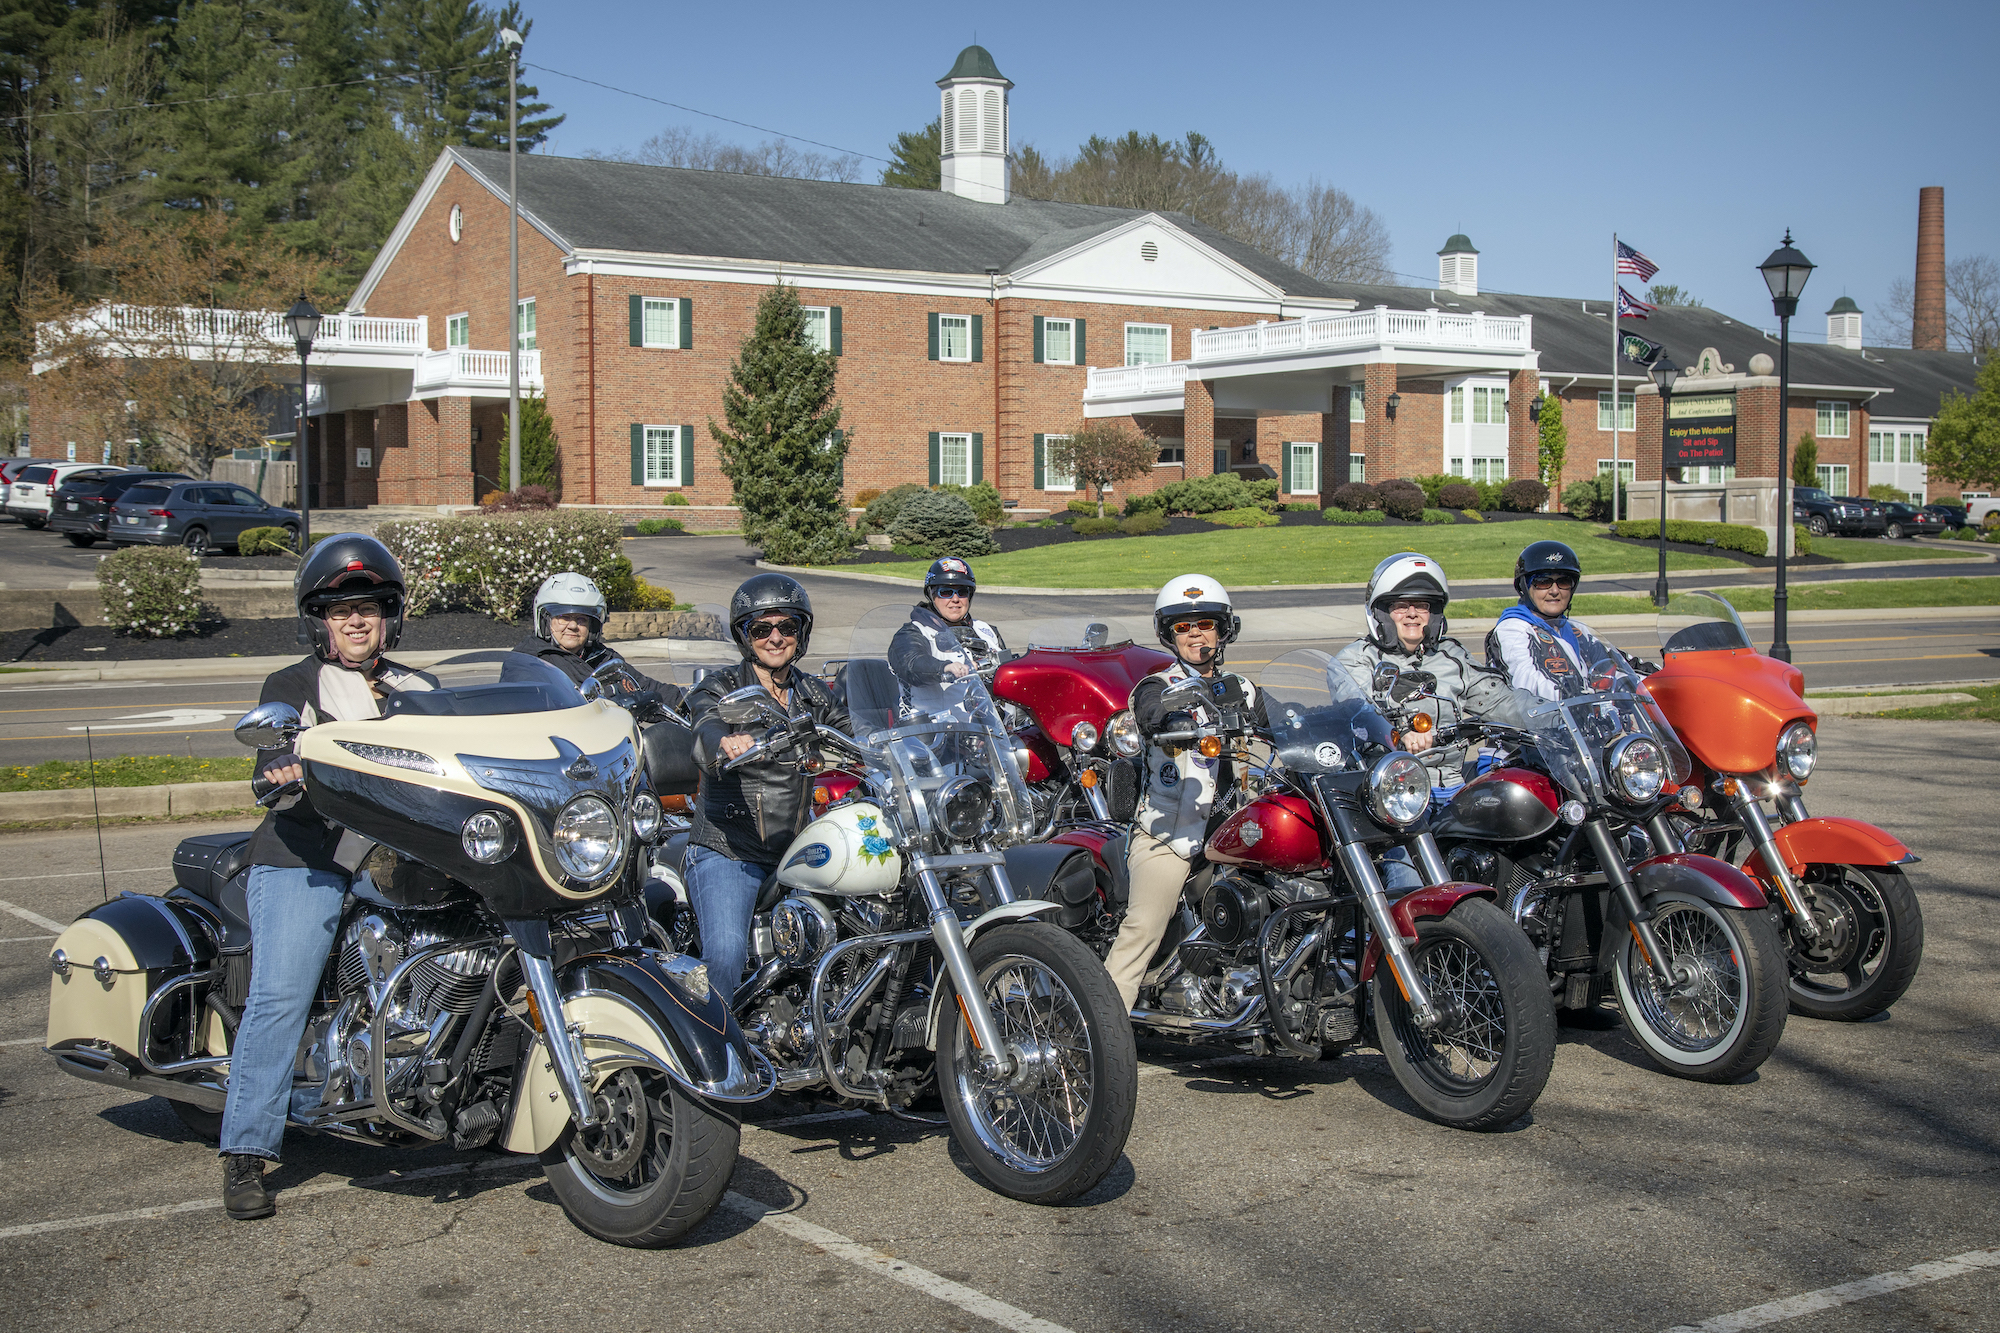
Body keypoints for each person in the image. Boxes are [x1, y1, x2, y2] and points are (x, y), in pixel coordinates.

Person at [220, 535, 437, 1221]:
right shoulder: (292, 687)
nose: (354, 621)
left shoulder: (419, 688)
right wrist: (282, 765)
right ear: (318, 620)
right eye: (339, 609)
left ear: (390, 616)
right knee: (281, 993)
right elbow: (274, 758)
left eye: (367, 608)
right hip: (306, 853)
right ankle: (246, 1152)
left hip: (396, 858)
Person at [1104, 575, 1267, 1013]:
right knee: (1144, 926)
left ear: (1223, 629)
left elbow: (1288, 722)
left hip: (1230, 835)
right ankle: (1103, 1029)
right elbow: (1150, 714)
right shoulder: (1157, 687)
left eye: (1206, 623)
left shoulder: (1245, 691)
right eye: (1183, 627)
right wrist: (1171, 721)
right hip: (1167, 837)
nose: (1196, 633)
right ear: (1169, 635)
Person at [684, 574, 849, 1004]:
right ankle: (714, 1059)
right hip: (729, 850)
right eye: (761, 629)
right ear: (744, 635)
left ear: (801, 632)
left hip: (795, 849)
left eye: (787, 627)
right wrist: (724, 739)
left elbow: (858, 735)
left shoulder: (815, 694)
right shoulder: (719, 687)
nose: (776, 638)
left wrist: (909, 746)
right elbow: (704, 722)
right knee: (724, 956)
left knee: (863, 927)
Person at [1335, 552, 1533, 790]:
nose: (1412, 613)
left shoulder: (1451, 656)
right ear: (1382, 614)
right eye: (1400, 606)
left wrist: (1555, 716)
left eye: (1422, 605)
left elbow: (1501, 701)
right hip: (1387, 790)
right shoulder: (1355, 658)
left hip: (1451, 786)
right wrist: (1403, 728)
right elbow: (1358, 704)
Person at [1486, 540, 1643, 701]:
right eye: (1543, 582)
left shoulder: (1577, 632)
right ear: (1524, 586)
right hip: (1537, 723)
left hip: (1582, 721)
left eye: (1563, 582)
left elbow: (1617, 663)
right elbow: (1525, 679)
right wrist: (1574, 695)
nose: (1554, 591)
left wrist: (1660, 676)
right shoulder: (1513, 630)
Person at [508, 572, 682, 717]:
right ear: (546, 621)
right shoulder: (528, 661)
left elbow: (645, 687)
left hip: (617, 743)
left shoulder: (603, 657)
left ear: (592, 626)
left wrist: (693, 699)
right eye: (564, 617)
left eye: (581, 619)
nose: (573, 625)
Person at [887, 557, 1008, 716]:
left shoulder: (986, 631)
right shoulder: (914, 632)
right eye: (946, 592)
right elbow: (911, 662)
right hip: (934, 731)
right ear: (931, 594)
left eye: (962, 592)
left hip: (994, 731)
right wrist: (944, 668)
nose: (955, 599)